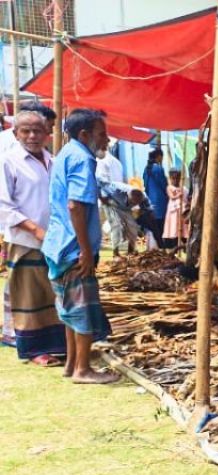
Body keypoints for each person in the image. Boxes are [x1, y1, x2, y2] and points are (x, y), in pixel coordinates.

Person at [42, 108, 117, 384]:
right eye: (102, 134)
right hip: (72, 247)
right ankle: (83, 370)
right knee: (82, 308)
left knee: (70, 309)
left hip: (57, 244)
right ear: (84, 134)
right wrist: (86, 251)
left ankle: (72, 363)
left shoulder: (65, 154)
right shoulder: (83, 158)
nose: (106, 140)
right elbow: (75, 205)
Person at [0, 107, 65, 364]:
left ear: (48, 133)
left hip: (54, 241)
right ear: (15, 133)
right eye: (25, 131)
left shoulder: (53, 161)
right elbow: (4, 206)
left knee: (51, 293)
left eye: (37, 130)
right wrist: (36, 230)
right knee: (28, 294)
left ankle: (56, 343)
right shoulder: (8, 162)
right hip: (25, 240)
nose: (32, 136)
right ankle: (34, 349)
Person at [161, 169, 188, 250]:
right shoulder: (169, 188)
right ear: (170, 178)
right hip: (173, 210)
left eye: (177, 178)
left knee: (183, 227)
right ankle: (173, 245)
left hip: (181, 210)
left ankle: (185, 244)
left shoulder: (183, 188)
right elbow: (172, 197)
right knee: (174, 227)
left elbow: (186, 197)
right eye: (173, 178)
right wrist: (178, 195)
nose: (175, 180)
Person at [143, 148, 168, 224]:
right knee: (161, 224)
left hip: (150, 200)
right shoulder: (158, 168)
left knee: (154, 224)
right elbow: (164, 185)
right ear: (159, 156)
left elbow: (145, 185)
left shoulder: (146, 169)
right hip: (160, 201)